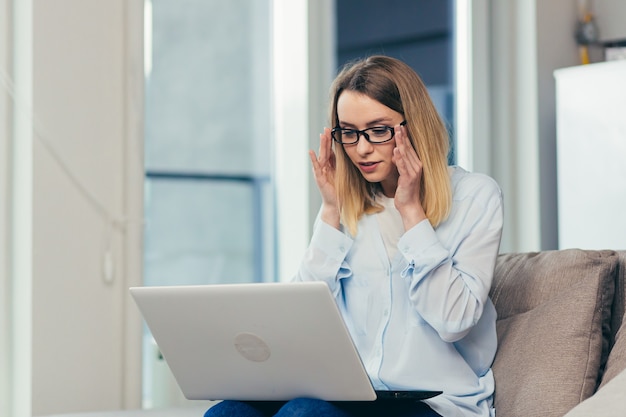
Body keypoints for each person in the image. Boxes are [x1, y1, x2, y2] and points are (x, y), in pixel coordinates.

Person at [206, 55, 503, 417]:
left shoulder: (475, 196)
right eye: (348, 132)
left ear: (416, 126)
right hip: (351, 395)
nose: (361, 148)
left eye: (378, 130)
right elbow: (300, 320)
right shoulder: (348, 206)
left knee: (305, 414)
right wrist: (331, 212)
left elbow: (454, 321)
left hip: (437, 404)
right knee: (229, 412)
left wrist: (411, 212)